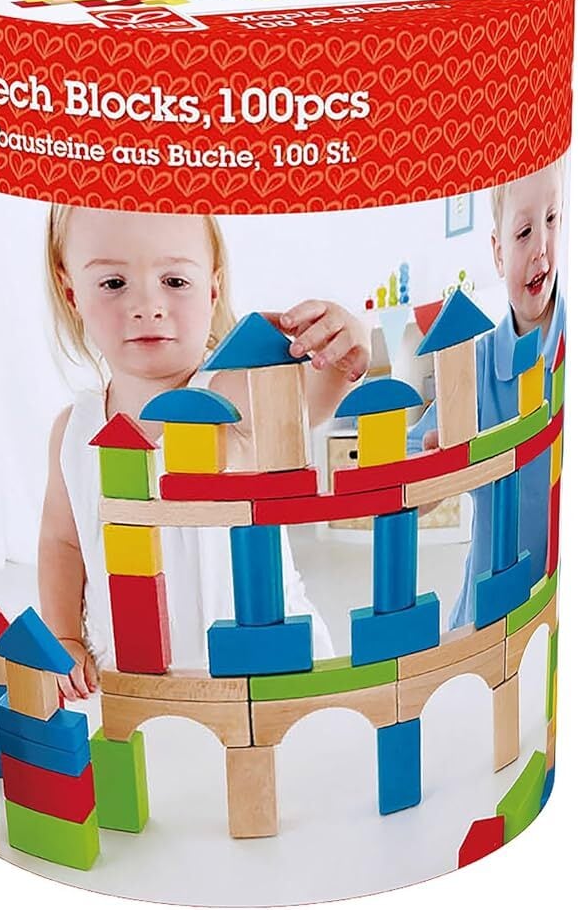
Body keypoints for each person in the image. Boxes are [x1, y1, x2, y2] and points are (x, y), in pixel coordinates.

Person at [39, 205, 371, 699]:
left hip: (266, 671)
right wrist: (63, 634)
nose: (147, 306)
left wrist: (342, 357)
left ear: (212, 290)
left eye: (174, 281)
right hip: (136, 678)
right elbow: (62, 544)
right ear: (73, 295)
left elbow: (300, 409)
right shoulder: (73, 430)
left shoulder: (226, 395)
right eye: (113, 283)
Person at [409, 160, 566, 629]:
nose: (541, 246)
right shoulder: (476, 368)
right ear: (498, 254)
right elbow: (410, 460)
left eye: (552, 220)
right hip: (487, 615)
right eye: (524, 233)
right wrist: (432, 471)